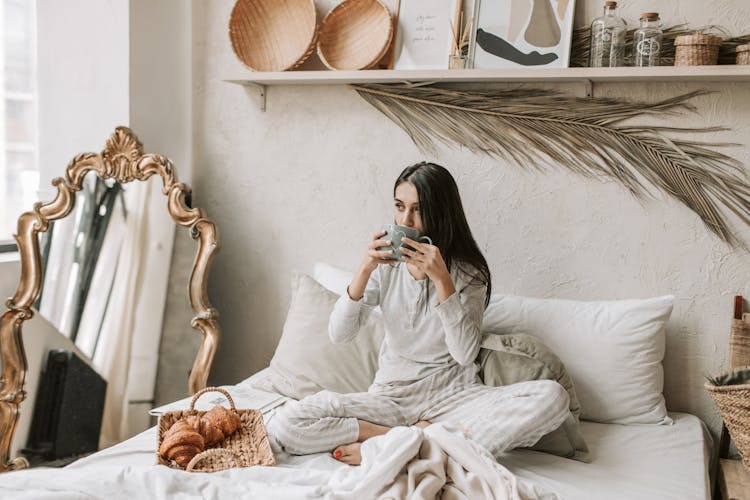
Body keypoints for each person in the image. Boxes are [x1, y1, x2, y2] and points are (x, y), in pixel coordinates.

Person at [268, 161, 569, 465]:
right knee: (286, 425)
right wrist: (364, 268)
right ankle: (397, 439)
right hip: (391, 399)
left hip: (454, 396)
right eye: (400, 207)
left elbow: (464, 354)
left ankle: (412, 440)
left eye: (418, 210)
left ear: (440, 213)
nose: (406, 220)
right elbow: (339, 334)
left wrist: (442, 280)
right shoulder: (386, 266)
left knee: (553, 398)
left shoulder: (468, 273)